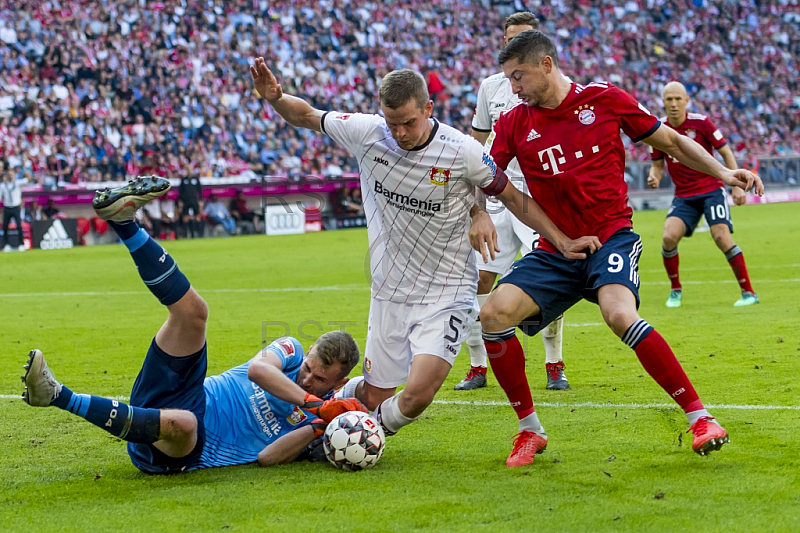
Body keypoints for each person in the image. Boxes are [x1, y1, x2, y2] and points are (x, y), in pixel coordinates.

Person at [249, 59, 597, 438]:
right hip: (389, 292)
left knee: (415, 396)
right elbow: (306, 115)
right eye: (392, 122)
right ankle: (345, 416)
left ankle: (357, 435)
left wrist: (548, 235)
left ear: (428, 109)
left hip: (446, 292)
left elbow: (510, 195)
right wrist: (277, 98)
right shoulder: (368, 132)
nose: (399, 132)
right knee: (373, 396)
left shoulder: (461, 149)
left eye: (408, 123)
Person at [474, 30, 763, 467]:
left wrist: (724, 172)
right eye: (509, 79)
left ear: (547, 65)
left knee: (618, 314)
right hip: (557, 250)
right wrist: (489, 213)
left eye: (519, 77)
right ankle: (529, 431)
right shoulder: (514, 123)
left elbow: (670, 142)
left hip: (611, 235)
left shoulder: (605, 99)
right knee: (492, 315)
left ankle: (700, 418)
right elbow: (491, 179)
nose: (513, 89)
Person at [21, 176, 366, 473]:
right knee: (194, 312)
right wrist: (313, 401)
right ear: (306, 353)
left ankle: (55, 395)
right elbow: (258, 372)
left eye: (320, 378)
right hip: (192, 391)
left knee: (184, 422)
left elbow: (266, 458)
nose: (308, 376)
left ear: (340, 381)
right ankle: (123, 222)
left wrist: (320, 425)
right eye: (308, 367)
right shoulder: (291, 352)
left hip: (184, 448)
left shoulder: (322, 417)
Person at [459, 11, 569, 392]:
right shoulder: (491, 88)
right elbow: (477, 145)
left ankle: (554, 363)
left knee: (551, 279)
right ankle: (477, 366)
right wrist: (476, 206)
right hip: (499, 193)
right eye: (509, 39)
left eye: (523, 37)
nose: (514, 44)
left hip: (539, 198)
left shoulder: (550, 84)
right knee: (479, 279)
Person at [648, 81, 759, 308]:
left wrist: (736, 186)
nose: (674, 103)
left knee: (721, 236)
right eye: (669, 99)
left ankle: (748, 292)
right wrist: (655, 176)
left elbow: (726, 152)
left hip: (711, 189)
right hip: (684, 195)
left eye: (678, 98)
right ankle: (675, 290)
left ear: (686, 100)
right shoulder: (658, 130)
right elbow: (657, 165)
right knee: (669, 238)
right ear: (663, 102)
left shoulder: (701, 123)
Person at [0, 170, 24, 251]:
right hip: (7, 207)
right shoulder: (3, 186)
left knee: (19, 226)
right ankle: (6, 244)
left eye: (12, 175)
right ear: (7, 176)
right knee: (5, 227)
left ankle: (21, 244)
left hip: (15, 207)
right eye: (9, 175)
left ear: (14, 175)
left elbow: (26, 180)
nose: (10, 176)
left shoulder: (17, 184)